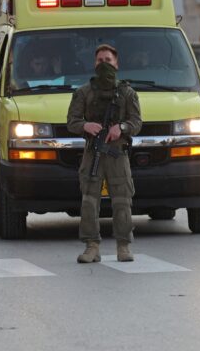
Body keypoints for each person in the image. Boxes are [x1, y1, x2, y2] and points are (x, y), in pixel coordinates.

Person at [67, 44, 142, 263]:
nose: (104, 64)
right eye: (100, 61)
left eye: (108, 60)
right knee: (89, 200)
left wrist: (122, 128)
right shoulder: (84, 93)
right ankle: (92, 246)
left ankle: (123, 246)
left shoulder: (127, 93)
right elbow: (72, 121)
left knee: (122, 200)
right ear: (94, 64)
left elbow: (136, 122)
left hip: (117, 153)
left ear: (116, 64)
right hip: (93, 153)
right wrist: (86, 126)